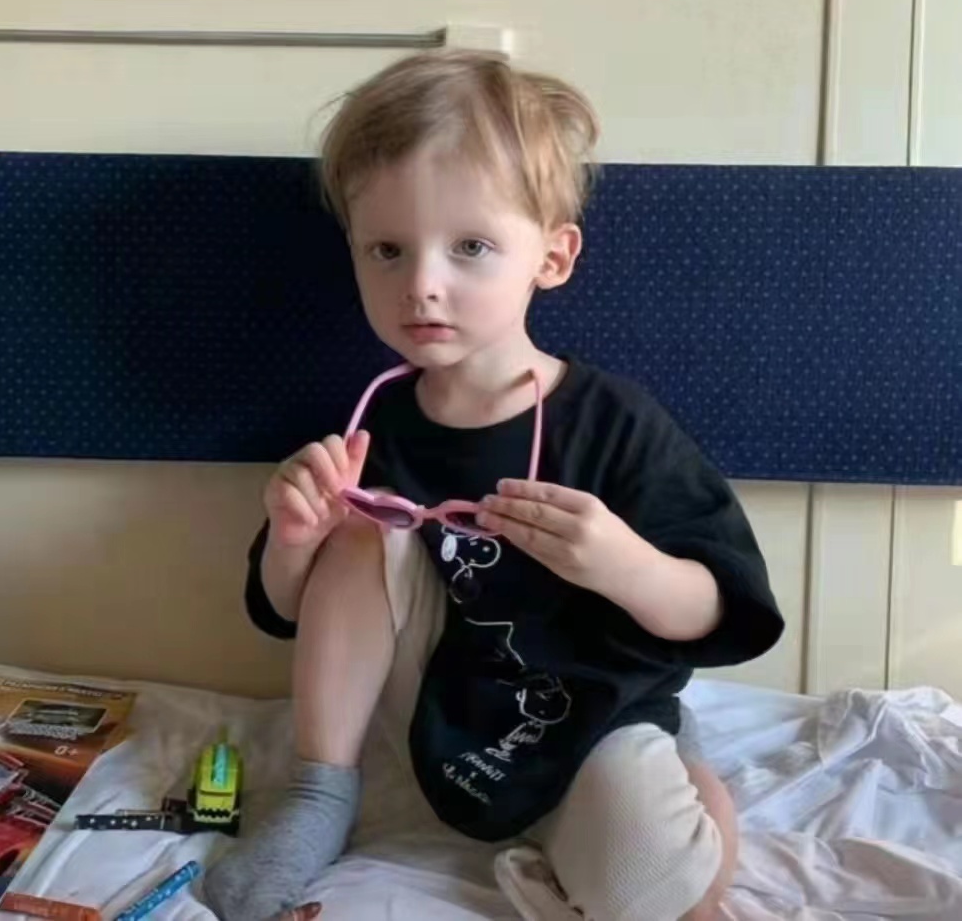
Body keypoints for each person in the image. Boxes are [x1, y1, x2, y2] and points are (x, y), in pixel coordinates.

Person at [205, 49, 784, 921]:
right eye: (387, 250)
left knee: (648, 893)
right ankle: (321, 791)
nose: (421, 286)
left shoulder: (616, 424)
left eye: (471, 247)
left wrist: (622, 563)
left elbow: (724, 611)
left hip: (595, 713)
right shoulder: (376, 425)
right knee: (362, 527)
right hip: (443, 701)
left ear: (552, 256)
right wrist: (295, 537)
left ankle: (679, 765)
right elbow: (287, 610)